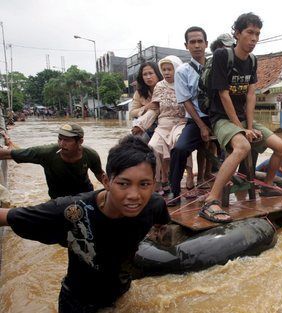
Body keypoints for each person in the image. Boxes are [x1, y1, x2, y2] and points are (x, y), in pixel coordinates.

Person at [0, 135, 170, 312]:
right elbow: (8, 216)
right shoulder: (71, 211)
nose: (134, 195)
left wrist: (157, 238)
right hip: (78, 302)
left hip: (121, 291)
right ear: (106, 181)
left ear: (154, 184)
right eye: (123, 184)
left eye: (144, 184)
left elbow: (162, 226)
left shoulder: (154, 204)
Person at [199, 12, 282, 223]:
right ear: (237, 34)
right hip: (221, 118)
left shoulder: (252, 61)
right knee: (243, 147)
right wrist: (240, 128)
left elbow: (250, 95)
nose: (254, 38)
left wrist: (249, 126)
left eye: (257, 34)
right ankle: (210, 200)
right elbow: (223, 94)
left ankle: (266, 187)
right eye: (250, 33)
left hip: (242, 119)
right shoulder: (223, 55)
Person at [131, 56, 195, 196]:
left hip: (181, 122)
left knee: (180, 143)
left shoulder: (184, 83)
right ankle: (163, 179)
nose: (166, 72)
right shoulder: (160, 86)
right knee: (153, 146)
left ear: (177, 69)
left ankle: (189, 176)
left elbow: (191, 106)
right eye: (164, 69)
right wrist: (140, 125)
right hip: (163, 124)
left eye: (169, 69)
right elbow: (154, 109)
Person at [0, 123, 104, 199]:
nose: (62, 144)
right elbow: (9, 154)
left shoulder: (90, 155)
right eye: (60, 139)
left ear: (80, 141)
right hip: (58, 200)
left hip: (84, 196)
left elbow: (101, 175)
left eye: (67, 140)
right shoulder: (46, 153)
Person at [168, 26, 212, 206]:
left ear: (206, 44)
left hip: (217, 117)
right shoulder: (182, 71)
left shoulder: (215, 66)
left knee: (241, 144)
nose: (197, 45)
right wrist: (202, 126)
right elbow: (185, 100)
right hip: (195, 119)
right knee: (179, 150)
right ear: (186, 45)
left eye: (200, 41)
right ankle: (174, 191)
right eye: (192, 42)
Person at [129, 61, 163, 139]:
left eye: (151, 73)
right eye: (145, 74)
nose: (148, 77)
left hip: (165, 126)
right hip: (148, 128)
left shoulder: (166, 88)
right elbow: (132, 113)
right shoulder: (139, 92)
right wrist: (147, 107)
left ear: (158, 74)